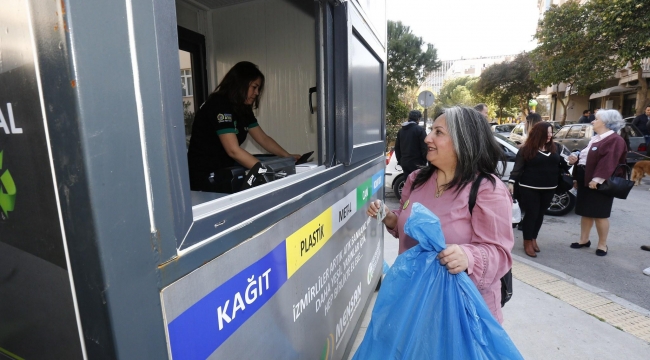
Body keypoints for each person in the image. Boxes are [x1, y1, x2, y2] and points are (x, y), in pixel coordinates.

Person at [367, 106, 513, 323]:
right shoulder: (416, 179)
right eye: (431, 131)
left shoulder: (486, 189)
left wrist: (468, 256)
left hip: (462, 313)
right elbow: (408, 230)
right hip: (415, 302)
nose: (427, 138)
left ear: (463, 141)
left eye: (438, 132)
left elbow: (500, 254)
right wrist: (387, 216)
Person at [187, 61, 299, 192]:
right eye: (254, 87)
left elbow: (263, 138)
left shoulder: (242, 108)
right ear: (240, 83)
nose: (257, 93)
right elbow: (233, 150)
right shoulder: (219, 105)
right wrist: (267, 172)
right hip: (204, 178)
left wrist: (288, 157)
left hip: (225, 172)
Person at [567, 109, 627, 256]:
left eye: (596, 119)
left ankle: (602, 244)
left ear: (606, 123)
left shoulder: (615, 140)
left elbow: (609, 162)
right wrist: (575, 155)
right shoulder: (597, 138)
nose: (592, 121)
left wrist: (597, 179)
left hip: (599, 182)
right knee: (585, 212)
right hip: (585, 178)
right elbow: (585, 155)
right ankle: (584, 240)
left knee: (600, 215)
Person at [507, 122, 570, 257]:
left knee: (541, 214)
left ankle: (534, 238)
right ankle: (527, 241)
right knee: (531, 214)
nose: (549, 135)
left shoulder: (556, 147)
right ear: (538, 133)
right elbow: (518, 168)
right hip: (529, 188)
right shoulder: (526, 149)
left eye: (551, 132)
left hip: (550, 187)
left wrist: (571, 161)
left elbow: (563, 164)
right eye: (546, 132)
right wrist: (512, 182)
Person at [394, 110, 428, 179]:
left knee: (407, 183)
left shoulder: (401, 131)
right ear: (418, 119)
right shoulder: (420, 130)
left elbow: (397, 147)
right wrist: (425, 161)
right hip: (417, 164)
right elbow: (424, 147)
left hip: (405, 163)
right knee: (417, 185)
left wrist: (400, 160)